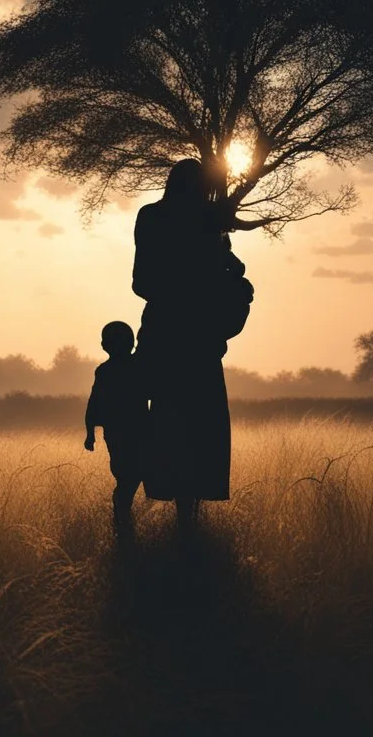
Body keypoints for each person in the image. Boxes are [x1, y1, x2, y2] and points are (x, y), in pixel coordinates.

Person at [132, 158, 250, 529]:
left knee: (171, 423)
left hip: (167, 337)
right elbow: (234, 273)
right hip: (199, 339)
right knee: (202, 427)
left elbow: (141, 283)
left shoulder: (152, 217)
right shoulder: (210, 221)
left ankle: (182, 517)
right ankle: (190, 521)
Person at [84, 320, 147, 531]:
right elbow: (94, 403)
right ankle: (122, 522)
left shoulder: (105, 370)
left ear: (104, 345)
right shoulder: (137, 366)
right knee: (129, 477)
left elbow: (93, 404)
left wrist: (90, 433)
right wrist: (89, 433)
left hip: (119, 433)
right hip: (133, 432)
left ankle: (122, 522)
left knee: (126, 477)